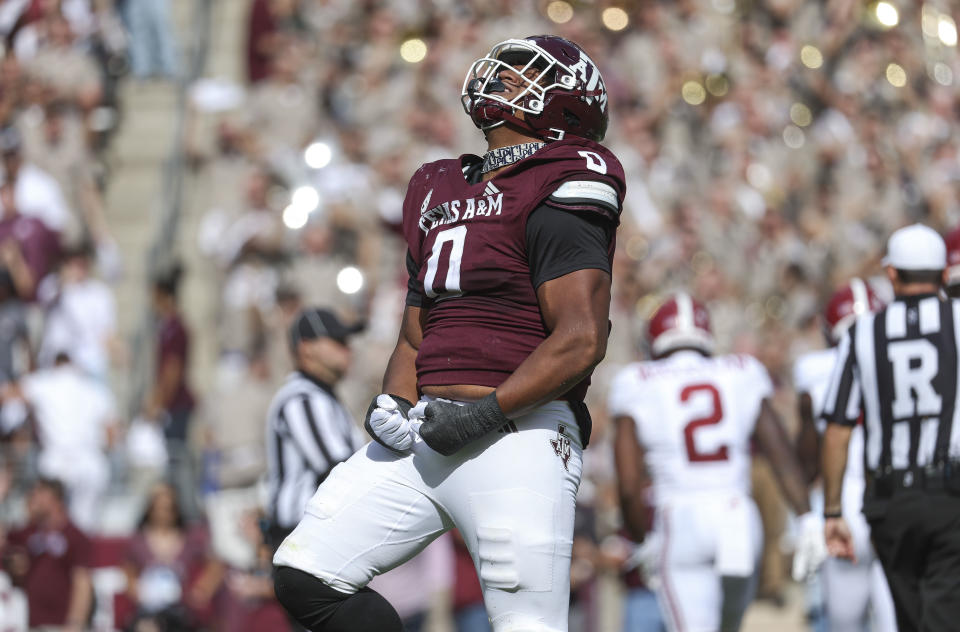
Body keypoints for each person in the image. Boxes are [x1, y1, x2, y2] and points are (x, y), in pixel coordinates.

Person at [273, 35, 625, 632]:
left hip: (520, 431)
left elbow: (581, 337)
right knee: (306, 573)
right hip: (428, 432)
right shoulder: (438, 184)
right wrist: (394, 399)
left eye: (522, 76)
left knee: (527, 625)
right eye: (506, 71)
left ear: (566, 105)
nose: (503, 79)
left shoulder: (568, 175)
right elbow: (415, 335)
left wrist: (487, 413)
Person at [608, 293, 811, 632]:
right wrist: (807, 518)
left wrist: (640, 540)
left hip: (680, 517)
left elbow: (628, 486)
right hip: (737, 516)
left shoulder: (636, 381)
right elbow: (782, 456)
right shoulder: (741, 371)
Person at [822, 223, 960, 632]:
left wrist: (832, 509)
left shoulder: (863, 332)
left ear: (892, 274)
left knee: (913, 619)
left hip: (890, 499)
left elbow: (838, 428)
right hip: (950, 493)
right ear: (942, 273)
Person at [792, 279, 897, 632]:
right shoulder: (906, 354)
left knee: (843, 625)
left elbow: (807, 461)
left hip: (844, 502)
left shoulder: (814, 370)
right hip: (896, 494)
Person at [263, 307, 366, 551]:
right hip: (303, 539)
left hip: (317, 538)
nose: (348, 349)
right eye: (338, 341)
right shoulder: (302, 399)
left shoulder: (323, 397)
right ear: (306, 347)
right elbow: (339, 471)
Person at [121, 482, 223, 631]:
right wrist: (137, 589)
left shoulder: (190, 538)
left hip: (181, 611)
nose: (164, 514)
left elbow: (216, 565)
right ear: (150, 509)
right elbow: (128, 570)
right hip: (148, 610)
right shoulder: (138, 542)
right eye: (160, 508)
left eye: (169, 508)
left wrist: (202, 589)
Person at [4, 478, 93, 631]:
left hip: (59, 624)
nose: (34, 497)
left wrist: (75, 623)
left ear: (56, 499)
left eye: (40, 493)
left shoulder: (75, 536)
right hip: (28, 622)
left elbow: (82, 582)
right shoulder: (28, 533)